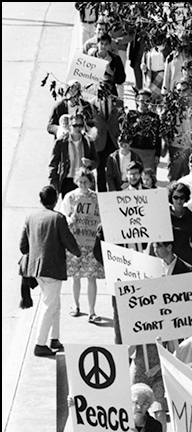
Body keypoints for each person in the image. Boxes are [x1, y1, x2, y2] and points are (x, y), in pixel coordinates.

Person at [130, 241, 192, 432]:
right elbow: (130, 350)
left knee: (159, 412)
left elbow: (175, 350)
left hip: (159, 370)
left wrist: (159, 366)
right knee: (136, 412)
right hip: (140, 369)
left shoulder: (168, 319)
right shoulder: (138, 317)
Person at [19, 185, 81, 357]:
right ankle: (40, 343)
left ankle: (54, 338)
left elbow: (22, 246)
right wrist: (78, 252)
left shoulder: (30, 217)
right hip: (53, 268)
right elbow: (68, 240)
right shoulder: (58, 218)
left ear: (40, 200)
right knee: (49, 305)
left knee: (54, 303)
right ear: (55, 200)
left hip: (36, 268)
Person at [61, 168, 104, 323]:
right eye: (80, 181)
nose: (83, 184)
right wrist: (69, 219)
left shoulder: (97, 198)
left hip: (92, 243)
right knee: (76, 277)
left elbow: (104, 217)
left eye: (86, 181)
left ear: (91, 181)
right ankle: (76, 305)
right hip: (75, 243)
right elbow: (62, 216)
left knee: (91, 277)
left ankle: (92, 311)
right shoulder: (70, 197)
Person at [48, 112, 99, 197]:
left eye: (80, 125)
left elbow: (96, 161)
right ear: (70, 126)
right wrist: (54, 185)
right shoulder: (61, 143)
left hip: (83, 181)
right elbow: (53, 164)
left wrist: (90, 163)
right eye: (75, 126)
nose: (78, 128)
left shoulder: (88, 141)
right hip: (67, 181)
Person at [165, 75, 192, 181]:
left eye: (184, 90)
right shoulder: (172, 106)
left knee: (191, 179)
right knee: (173, 180)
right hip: (176, 147)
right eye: (178, 91)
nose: (181, 93)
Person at [91, 84, 125, 192]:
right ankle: (102, 196)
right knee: (100, 172)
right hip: (100, 141)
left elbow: (122, 121)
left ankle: (115, 193)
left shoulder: (118, 103)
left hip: (113, 141)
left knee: (115, 170)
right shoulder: (91, 103)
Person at [121, 89, 163, 171]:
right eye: (142, 100)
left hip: (149, 152)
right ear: (137, 101)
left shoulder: (155, 117)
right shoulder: (131, 115)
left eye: (147, 101)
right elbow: (125, 133)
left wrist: (157, 154)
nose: (144, 103)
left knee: (148, 180)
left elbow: (158, 137)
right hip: (133, 150)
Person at [169, 182, 192, 267]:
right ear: (171, 198)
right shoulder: (164, 214)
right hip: (168, 258)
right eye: (175, 197)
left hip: (185, 258)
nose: (179, 201)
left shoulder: (191, 216)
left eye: (182, 198)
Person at [87, 32, 126, 98]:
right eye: (101, 43)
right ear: (97, 44)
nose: (103, 46)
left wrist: (111, 72)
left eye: (106, 44)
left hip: (109, 94)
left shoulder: (115, 59)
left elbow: (121, 79)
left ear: (109, 45)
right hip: (92, 93)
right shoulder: (91, 57)